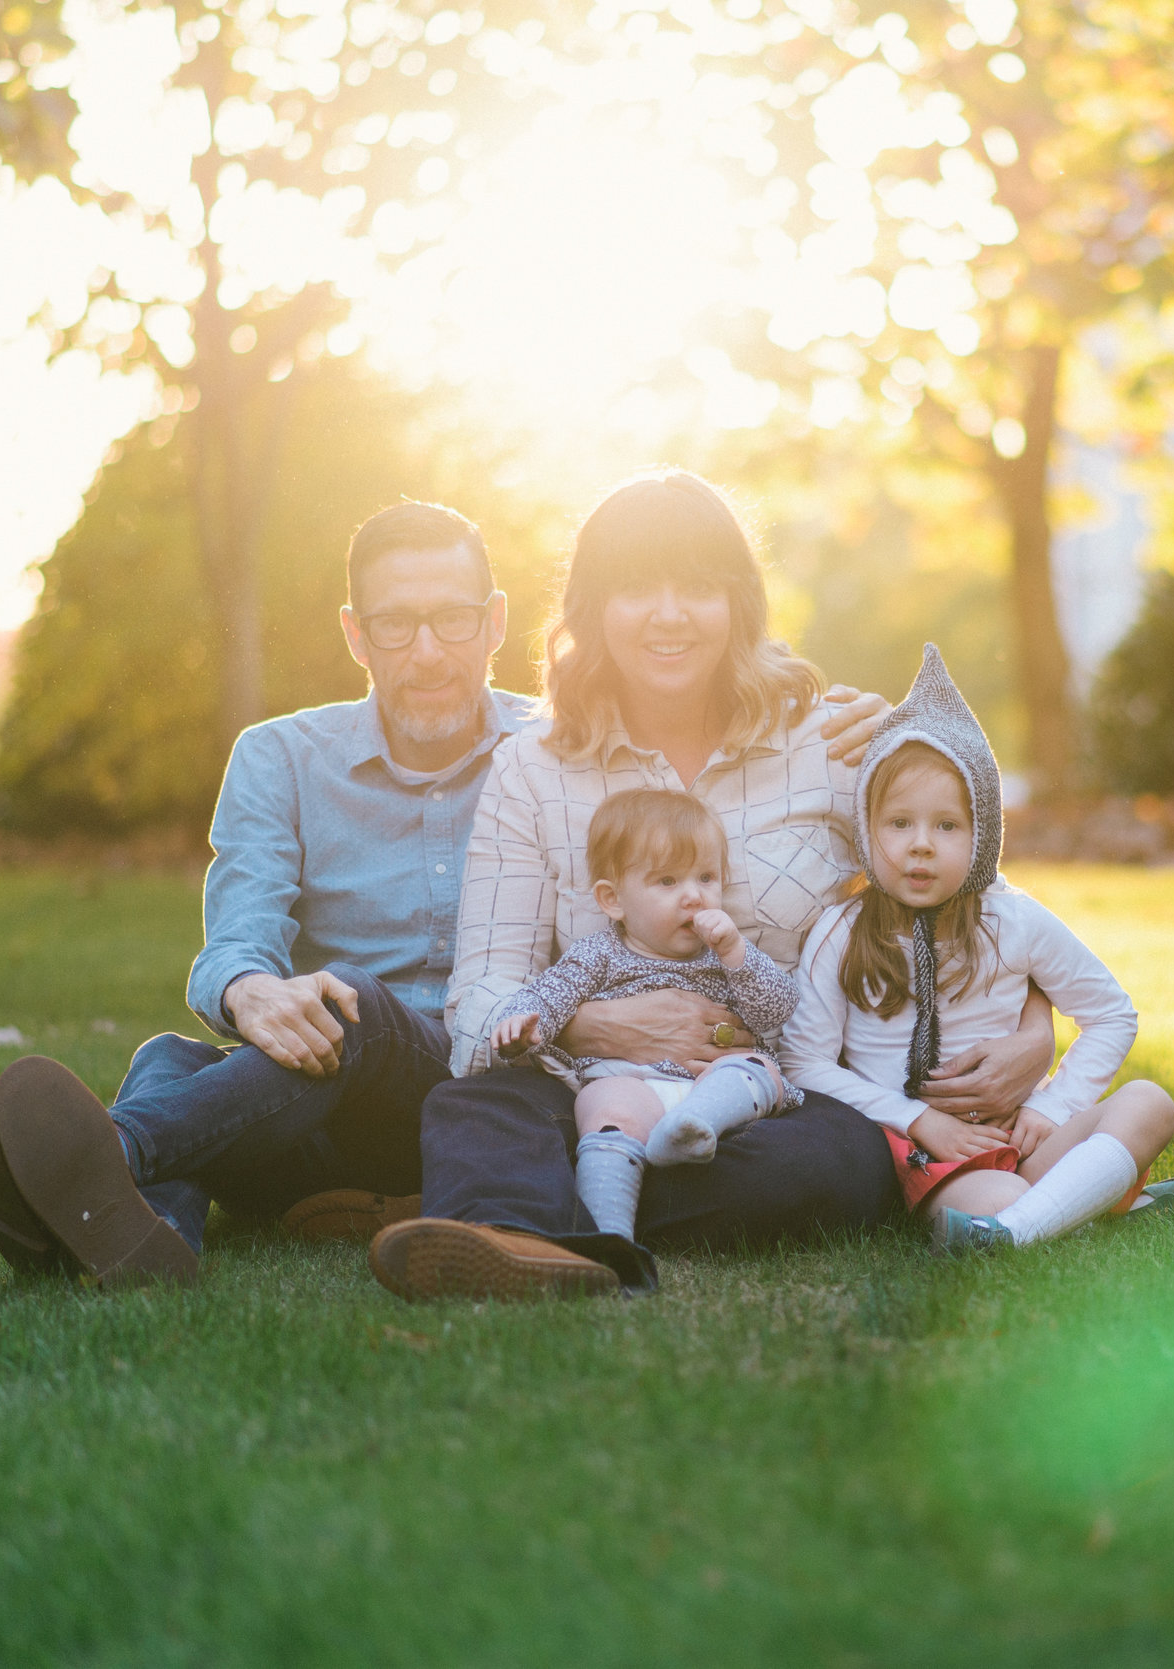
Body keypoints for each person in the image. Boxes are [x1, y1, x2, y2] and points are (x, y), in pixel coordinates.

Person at [0, 497, 889, 1286]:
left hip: (525, 1095)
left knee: (204, 1065)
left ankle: (103, 1167)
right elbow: (241, 936)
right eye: (396, 623)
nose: (426, 650)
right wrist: (253, 990)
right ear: (357, 634)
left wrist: (902, 736)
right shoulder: (320, 759)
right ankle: (129, 1208)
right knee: (235, 1038)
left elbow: (939, 850)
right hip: (378, 1077)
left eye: (453, 619)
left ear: (495, 623)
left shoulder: (545, 742)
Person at [369, 469, 1059, 1302]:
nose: (668, 614)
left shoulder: (826, 741)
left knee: (840, 1157)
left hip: (766, 1100)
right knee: (473, 1104)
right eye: (634, 588)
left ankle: (561, 1207)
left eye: (697, 586)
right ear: (590, 611)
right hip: (590, 1089)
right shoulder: (533, 766)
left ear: (738, 602)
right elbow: (484, 985)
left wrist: (1034, 1030)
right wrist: (587, 1026)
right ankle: (517, 1235)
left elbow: (977, 908)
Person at [782, 645, 1174, 1254]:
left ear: (983, 834)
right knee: (1003, 1199)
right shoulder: (842, 931)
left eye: (946, 826)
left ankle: (1023, 1227)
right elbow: (806, 1064)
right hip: (929, 1153)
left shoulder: (1014, 920)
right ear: (866, 828)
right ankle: (1071, 1209)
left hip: (1026, 1138)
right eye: (899, 824)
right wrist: (918, 1120)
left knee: (1150, 1103)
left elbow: (1111, 1014)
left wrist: (1055, 1108)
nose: (920, 846)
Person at [489, 788, 801, 1244]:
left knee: (757, 1067)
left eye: (707, 877)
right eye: (668, 882)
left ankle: (694, 1125)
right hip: (631, 1081)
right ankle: (609, 1239)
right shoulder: (599, 953)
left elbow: (776, 1009)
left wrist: (736, 951)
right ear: (613, 900)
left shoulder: (726, 956)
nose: (694, 896)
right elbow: (551, 994)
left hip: (716, 1087)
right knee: (607, 1110)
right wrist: (522, 1020)